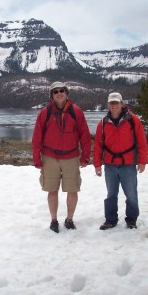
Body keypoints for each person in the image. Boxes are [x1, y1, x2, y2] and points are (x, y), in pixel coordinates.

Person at [32, 81, 91, 233]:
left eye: (61, 91)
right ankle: (54, 220)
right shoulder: (45, 113)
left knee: (72, 190)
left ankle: (69, 219)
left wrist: (85, 156)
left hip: (71, 157)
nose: (59, 93)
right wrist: (37, 159)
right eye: (55, 91)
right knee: (52, 191)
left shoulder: (76, 111)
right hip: (49, 157)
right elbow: (37, 137)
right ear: (52, 95)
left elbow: (84, 135)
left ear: (66, 93)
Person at [93, 92, 148, 230]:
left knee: (131, 194)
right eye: (112, 103)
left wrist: (142, 161)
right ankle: (110, 219)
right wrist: (97, 164)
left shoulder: (133, 120)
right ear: (108, 105)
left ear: (122, 104)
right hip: (110, 165)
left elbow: (141, 142)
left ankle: (131, 218)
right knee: (111, 194)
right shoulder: (103, 123)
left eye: (116, 102)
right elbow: (98, 145)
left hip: (128, 164)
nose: (114, 105)